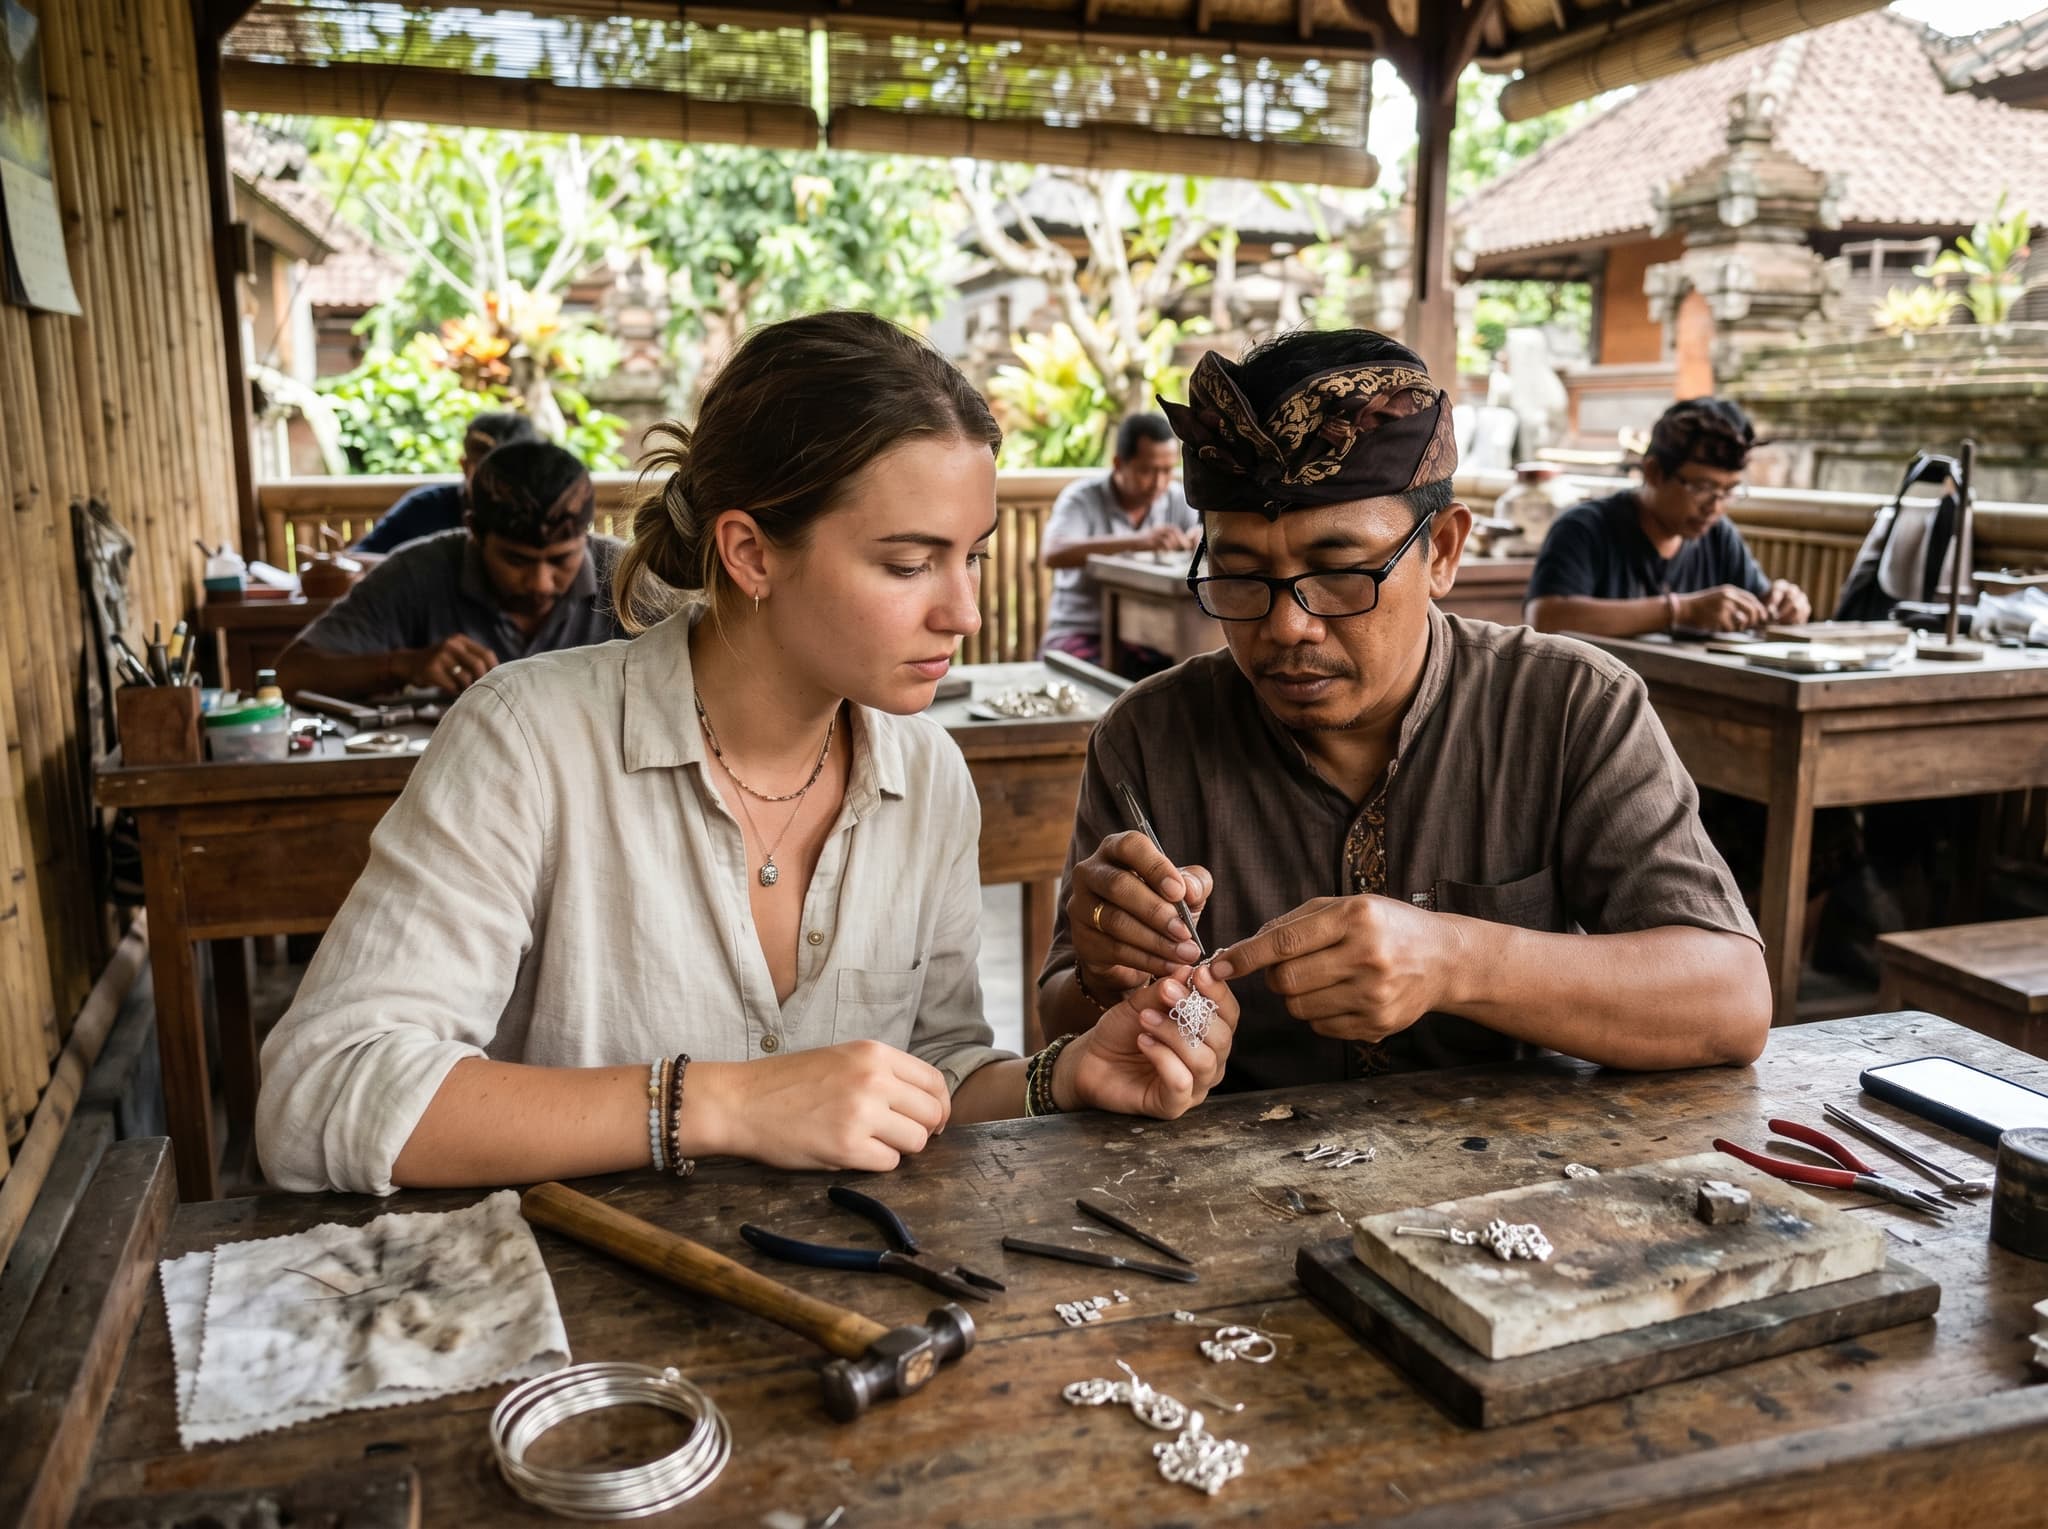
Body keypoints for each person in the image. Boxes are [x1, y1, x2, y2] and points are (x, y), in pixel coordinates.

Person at [256, 311, 1238, 1195]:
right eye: (907, 562)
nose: (964, 610)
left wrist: (1057, 1074)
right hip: (576, 1339)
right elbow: (318, 1091)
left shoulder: (927, 776)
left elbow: (929, 1078)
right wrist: (719, 1104)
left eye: (970, 554)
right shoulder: (529, 740)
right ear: (751, 552)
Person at [1036, 329, 1770, 1090]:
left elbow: (1731, 1001)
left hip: (1518, 1173)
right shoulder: (1151, 736)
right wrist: (1099, 971)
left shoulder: (1570, 706)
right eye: (1241, 574)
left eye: (1342, 571)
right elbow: (1063, 1025)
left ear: (1444, 552)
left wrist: (1457, 959)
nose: (1287, 626)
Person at [277, 441, 628, 700]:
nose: (540, 583)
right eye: (516, 561)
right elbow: (291, 674)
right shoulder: (416, 572)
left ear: (585, 534)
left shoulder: (628, 577)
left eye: (560, 560)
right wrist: (402, 666)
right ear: (473, 531)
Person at [1524, 397, 1810, 636]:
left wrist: (1784, 604)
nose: (1715, 506)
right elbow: (1546, 618)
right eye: (1702, 487)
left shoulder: (1718, 535)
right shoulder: (1584, 528)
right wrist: (1680, 611)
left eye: (1729, 491)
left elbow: (1759, 602)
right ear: (1653, 472)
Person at [1039, 412, 1201, 676]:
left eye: (1168, 470)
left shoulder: (1176, 498)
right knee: (1115, 685)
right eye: (1147, 471)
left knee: (1185, 677)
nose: (1159, 482)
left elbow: (1200, 532)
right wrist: (1138, 542)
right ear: (1118, 463)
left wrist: (1201, 539)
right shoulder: (1081, 498)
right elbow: (1053, 554)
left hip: (1146, 636)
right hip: (1080, 631)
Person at [350, 409, 538, 557]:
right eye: (488, 474)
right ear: (465, 467)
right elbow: (360, 557)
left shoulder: (545, 517)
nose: (499, 487)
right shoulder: (424, 507)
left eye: (510, 475)